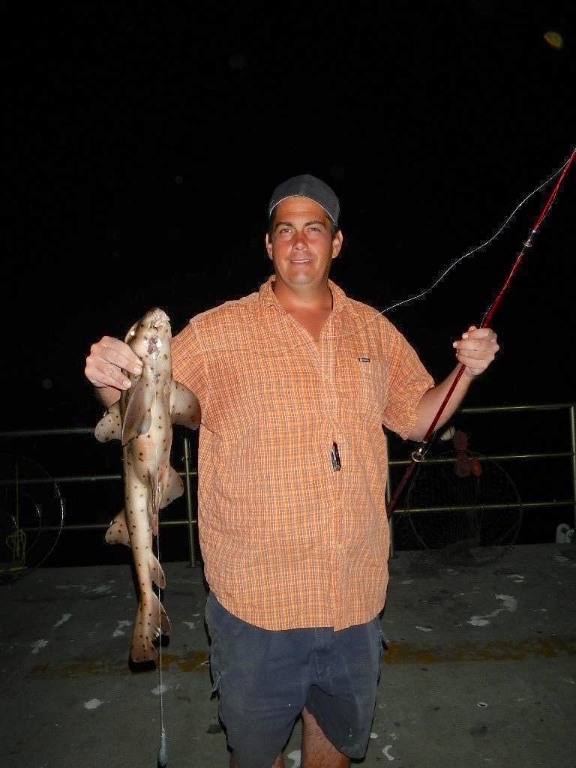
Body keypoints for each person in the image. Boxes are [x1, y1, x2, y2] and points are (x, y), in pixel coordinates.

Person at [84, 174, 500, 768]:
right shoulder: (219, 330)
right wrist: (109, 376)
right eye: (286, 231)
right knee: (255, 757)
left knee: (332, 749)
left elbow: (417, 420)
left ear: (337, 244)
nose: (300, 243)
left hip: (353, 597)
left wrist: (468, 371)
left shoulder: (373, 330)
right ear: (268, 245)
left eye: (315, 229)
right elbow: (142, 404)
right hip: (257, 606)